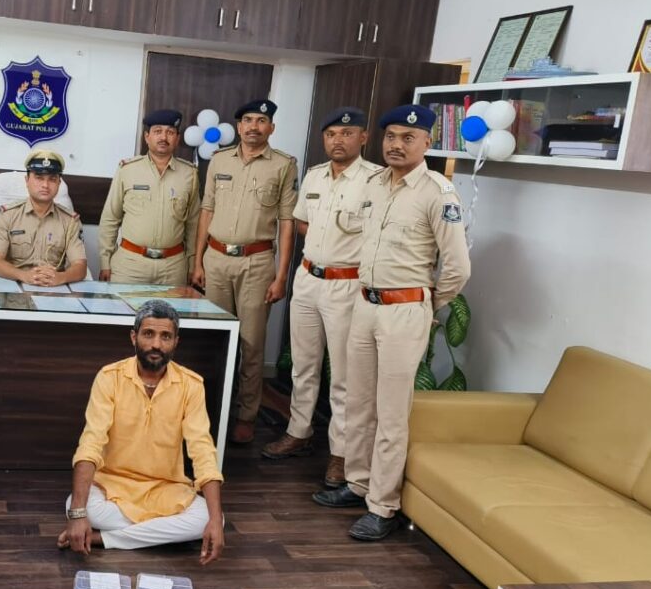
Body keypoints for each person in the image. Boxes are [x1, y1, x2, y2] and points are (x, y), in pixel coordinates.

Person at [312, 104, 470, 541]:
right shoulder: (374, 184)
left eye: (408, 138)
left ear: (427, 143)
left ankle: (383, 506)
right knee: (359, 403)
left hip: (404, 309)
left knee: (392, 413)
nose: (397, 145)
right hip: (365, 304)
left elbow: (457, 267)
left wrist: (427, 305)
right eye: (391, 136)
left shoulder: (439, 193)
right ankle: (358, 483)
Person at [262, 107, 381, 490]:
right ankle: (298, 432)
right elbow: (301, 221)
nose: (338, 140)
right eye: (331, 134)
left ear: (363, 137)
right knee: (303, 365)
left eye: (347, 133)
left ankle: (342, 453)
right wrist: (325, 239)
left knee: (343, 375)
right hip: (308, 279)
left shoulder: (376, 180)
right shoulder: (314, 175)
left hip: (346, 285)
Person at [60, 300, 225, 562]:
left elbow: (203, 452)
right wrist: (78, 515)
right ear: (133, 337)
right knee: (77, 505)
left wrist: (215, 521)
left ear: (176, 342)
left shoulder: (191, 385)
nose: (156, 344)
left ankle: (104, 538)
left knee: (212, 518)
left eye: (165, 336)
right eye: (148, 334)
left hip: (166, 489)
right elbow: (90, 444)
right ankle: (148, 533)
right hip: (112, 486)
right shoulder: (110, 377)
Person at [192, 99, 298, 445]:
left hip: (257, 263)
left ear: (271, 128)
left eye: (261, 121)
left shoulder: (283, 165)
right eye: (248, 120)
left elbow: (286, 223)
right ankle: (207, 408)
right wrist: (197, 261)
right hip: (216, 260)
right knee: (213, 339)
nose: (254, 126)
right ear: (238, 127)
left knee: (251, 344)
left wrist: (281, 276)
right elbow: (206, 211)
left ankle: (246, 414)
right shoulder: (219, 160)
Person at [97, 109, 200, 285]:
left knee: (173, 305)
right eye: (157, 131)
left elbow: (193, 224)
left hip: (173, 267)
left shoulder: (189, 174)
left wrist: (192, 265)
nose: (163, 137)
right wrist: (105, 261)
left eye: (170, 132)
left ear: (177, 138)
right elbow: (110, 218)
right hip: (130, 264)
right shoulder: (127, 170)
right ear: (147, 137)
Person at [0, 150, 88, 286]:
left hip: (54, 288)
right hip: (15, 286)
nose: (45, 185)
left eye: (52, 179)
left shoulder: (70, 221)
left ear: (59, 183)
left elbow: (80, 266)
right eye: (39, 178)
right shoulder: (7, 216)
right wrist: (24, 276)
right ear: (27, 180)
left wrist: (61, 277)